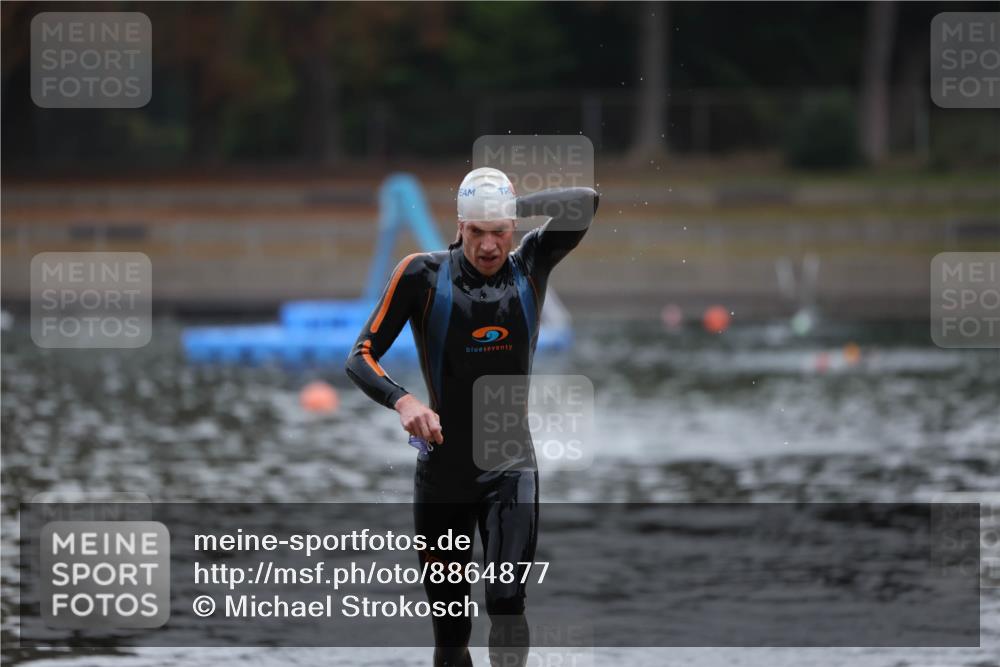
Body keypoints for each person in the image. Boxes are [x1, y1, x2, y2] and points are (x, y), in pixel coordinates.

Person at [346, 167, 598, 666]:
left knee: (505, 603)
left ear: (513, 229)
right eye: (477, 230)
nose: (488, 245)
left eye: (499, 231)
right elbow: (360, 356)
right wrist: (404, 400)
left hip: (509, 466)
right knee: (451, 631)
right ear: (459, 226)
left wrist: (509, 205)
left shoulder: (532, 263)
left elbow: (587, 200)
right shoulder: (421, 274)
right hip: (443, 475)